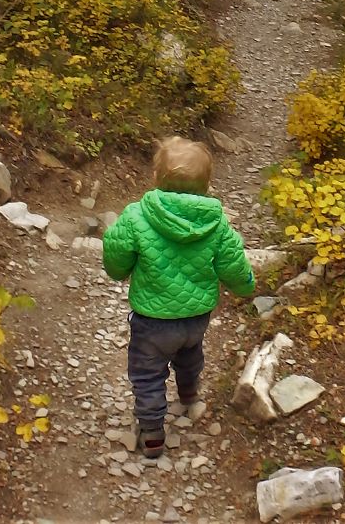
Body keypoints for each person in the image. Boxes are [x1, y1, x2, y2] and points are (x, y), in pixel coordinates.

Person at [102, 135, 255, 460]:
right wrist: (246, 286)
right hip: (196, 317)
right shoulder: (217, 223)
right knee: (190, 355)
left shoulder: (136, 216)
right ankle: (188, 394)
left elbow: (115, 253)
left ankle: (153, 433)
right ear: (207, 185)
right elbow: (234, 265)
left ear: (155, 178)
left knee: (148, 374)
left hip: (152, 320)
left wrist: (120, 272)